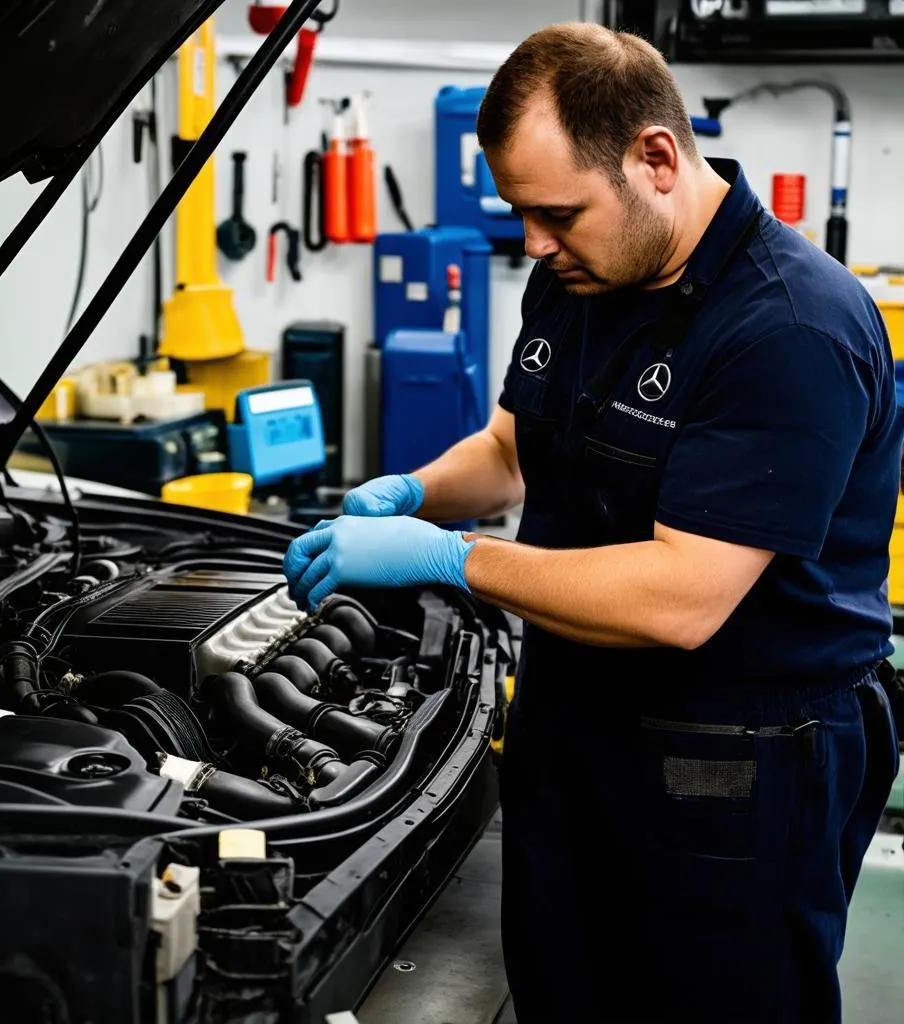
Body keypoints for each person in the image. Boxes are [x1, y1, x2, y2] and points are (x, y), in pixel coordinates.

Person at [283, 21, 903, 1023]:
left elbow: (680, 599)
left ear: (655, 157)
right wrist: (409, 491)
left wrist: (450, 557)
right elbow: (508, 448)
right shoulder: (582, 272)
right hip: (579, 723)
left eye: (555, 213)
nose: (532, 242)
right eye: (522, 214)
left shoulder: (788, 326)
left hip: (737, 762)